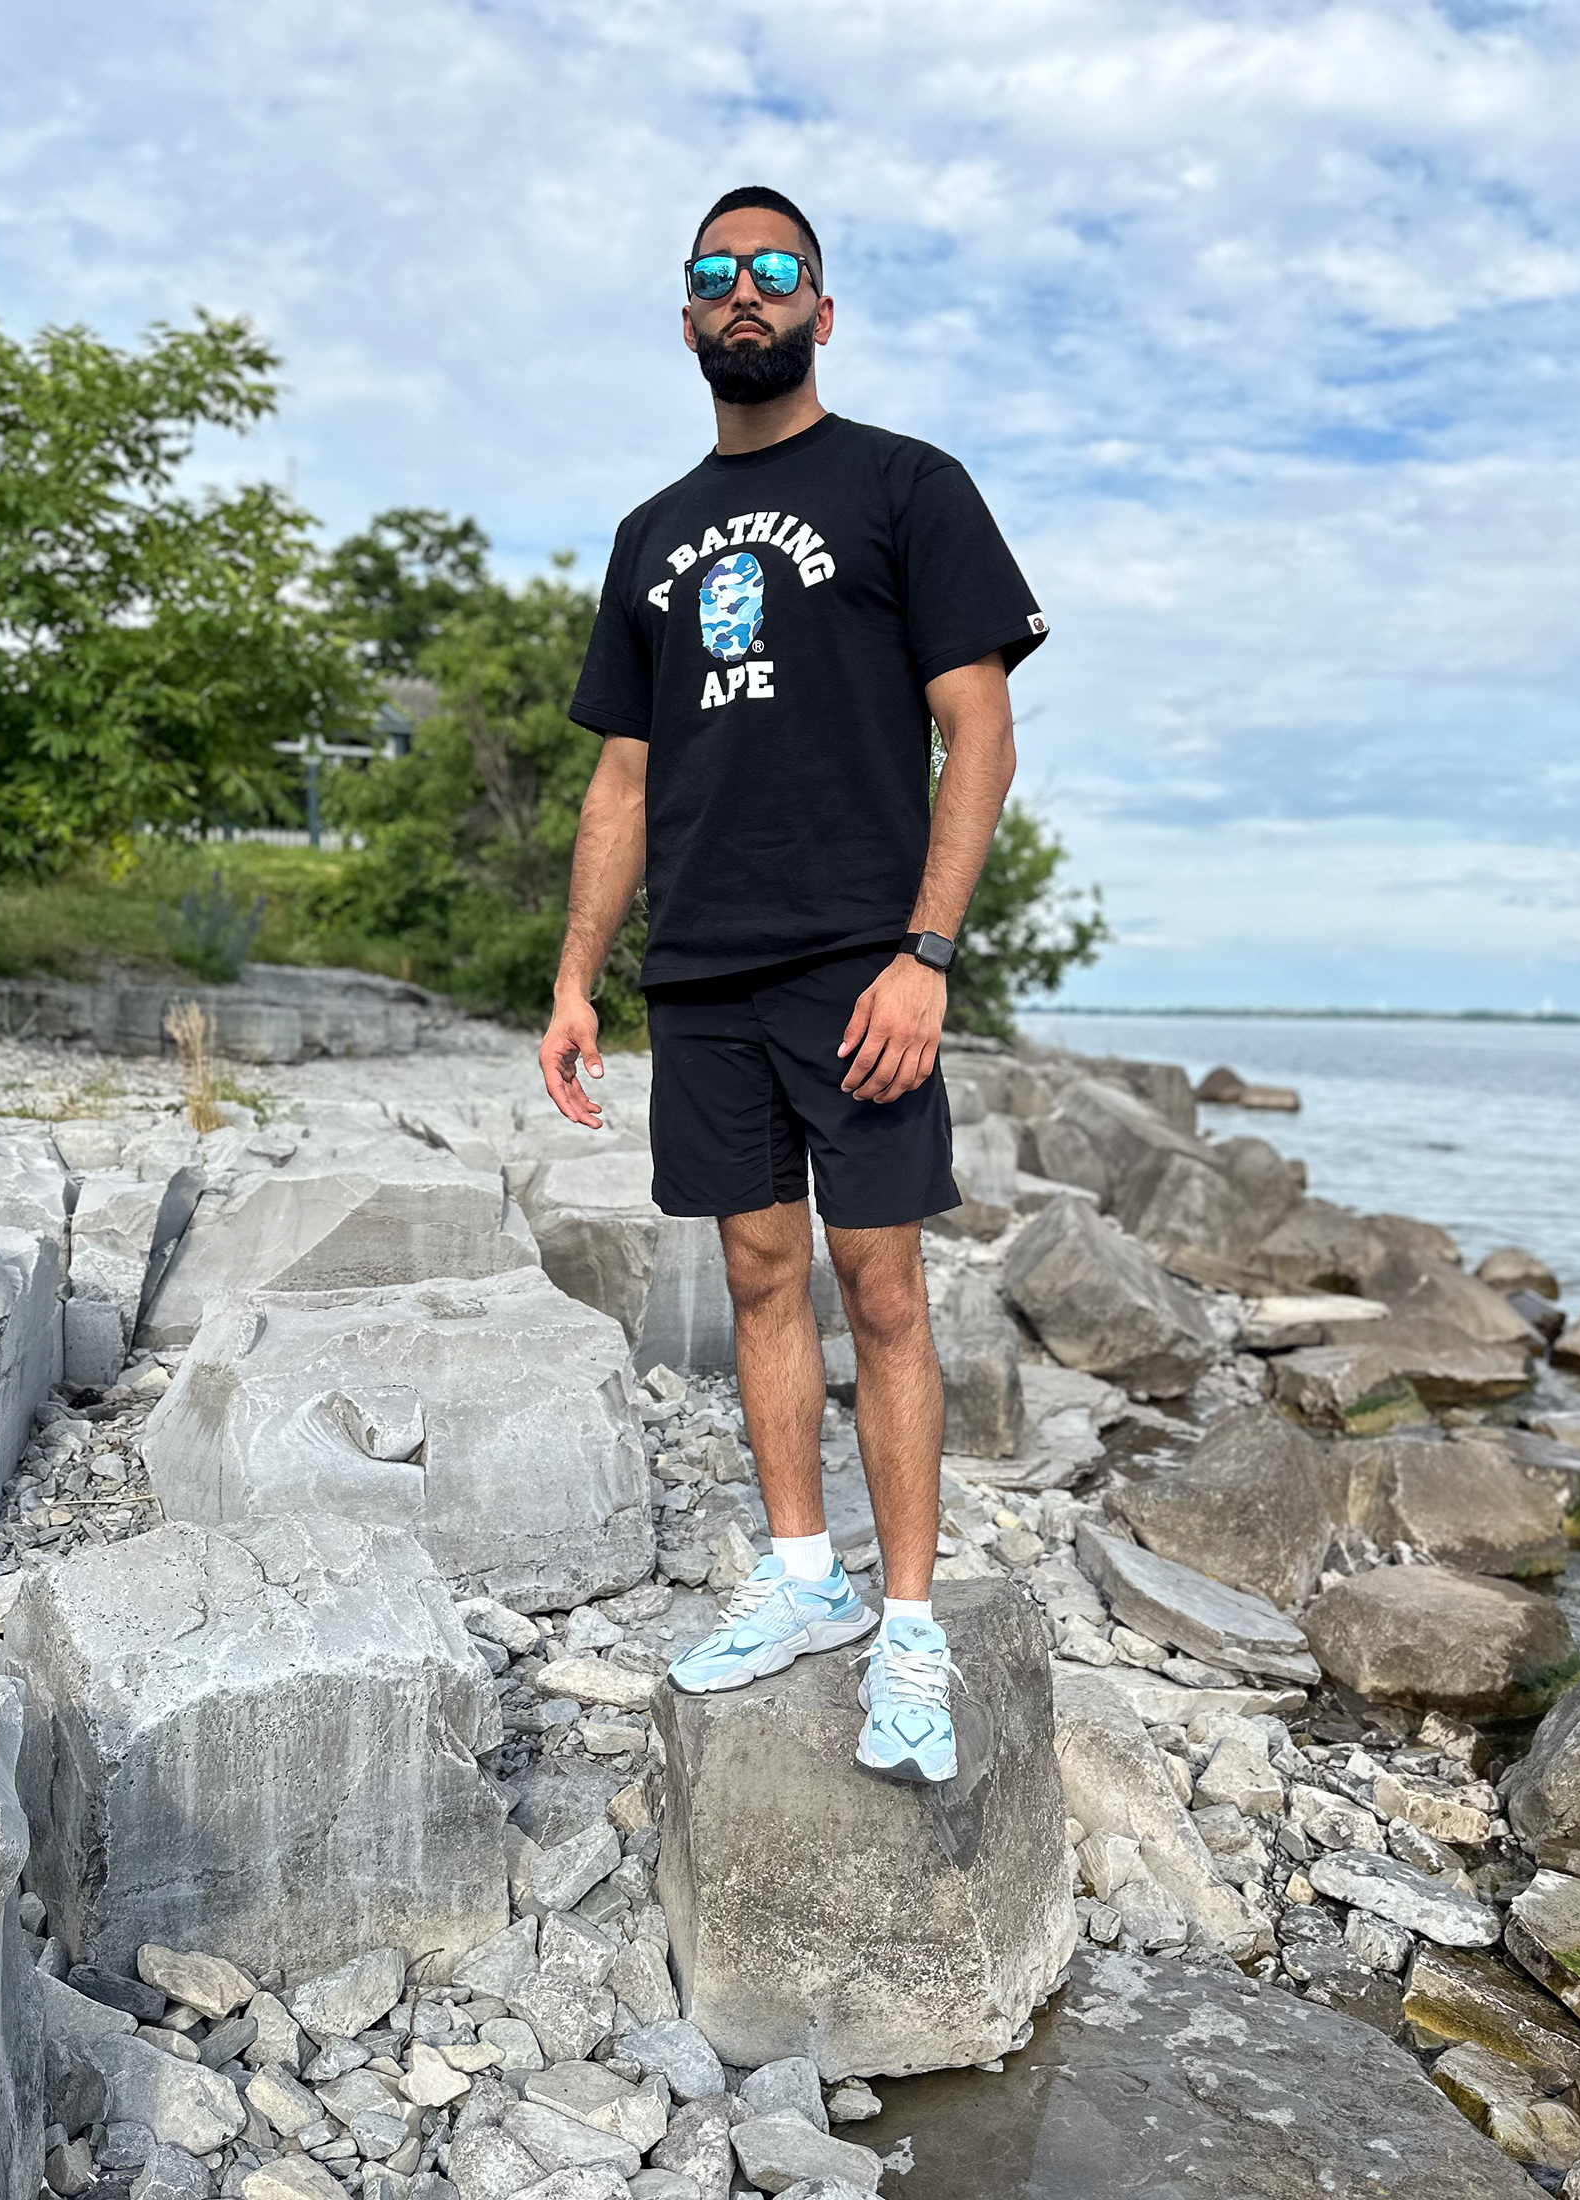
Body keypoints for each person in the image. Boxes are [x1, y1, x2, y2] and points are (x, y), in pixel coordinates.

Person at [540, 183, 1046, 1782]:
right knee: (759, 1281)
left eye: (775, 271)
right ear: (685, 315)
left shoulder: (907, 486)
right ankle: (804, 1579)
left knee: (884, 1291)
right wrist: (576, 986)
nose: (742, 292)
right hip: (697, 976)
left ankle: (909, 1626)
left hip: (857, 964)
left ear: (824, 309)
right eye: (715, 274)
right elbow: (620, 786)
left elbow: (982, 730)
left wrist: (926, 956)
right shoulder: (650, 539)